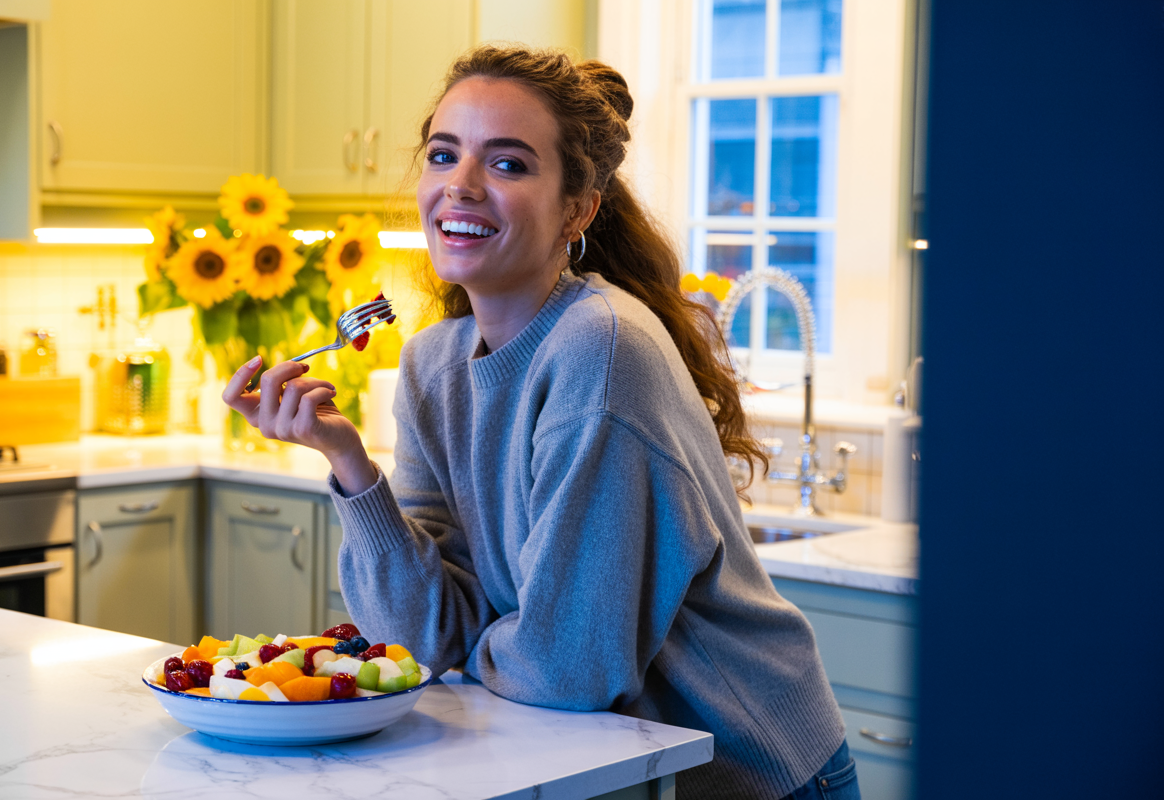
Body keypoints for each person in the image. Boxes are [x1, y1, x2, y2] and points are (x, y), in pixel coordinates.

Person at [223, 45, 858, 800]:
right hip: (613, 765)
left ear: (579, 209)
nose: (459, 186)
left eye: (508, 165)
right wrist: (351, 467)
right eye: (443, 154)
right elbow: (424, 641)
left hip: (753, 773)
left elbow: (568, 668)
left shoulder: (600, 347)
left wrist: (479, 641)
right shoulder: (433, 365)